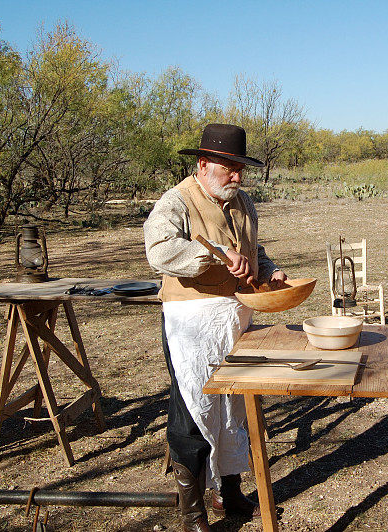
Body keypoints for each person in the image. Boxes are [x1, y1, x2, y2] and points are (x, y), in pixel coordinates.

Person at [144, 123, 287, 532]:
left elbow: (253, 249)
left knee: (233, 407)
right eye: (230, 169)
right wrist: (217, 255)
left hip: (235, 317)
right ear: (204, 164)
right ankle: (192, 513)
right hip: (191, 323)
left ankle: (229, 492)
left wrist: (269, 270)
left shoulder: (242, 202)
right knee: (193, 409)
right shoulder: (177, 201)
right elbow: (160, 250)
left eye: (240, 168)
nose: (238, 177)